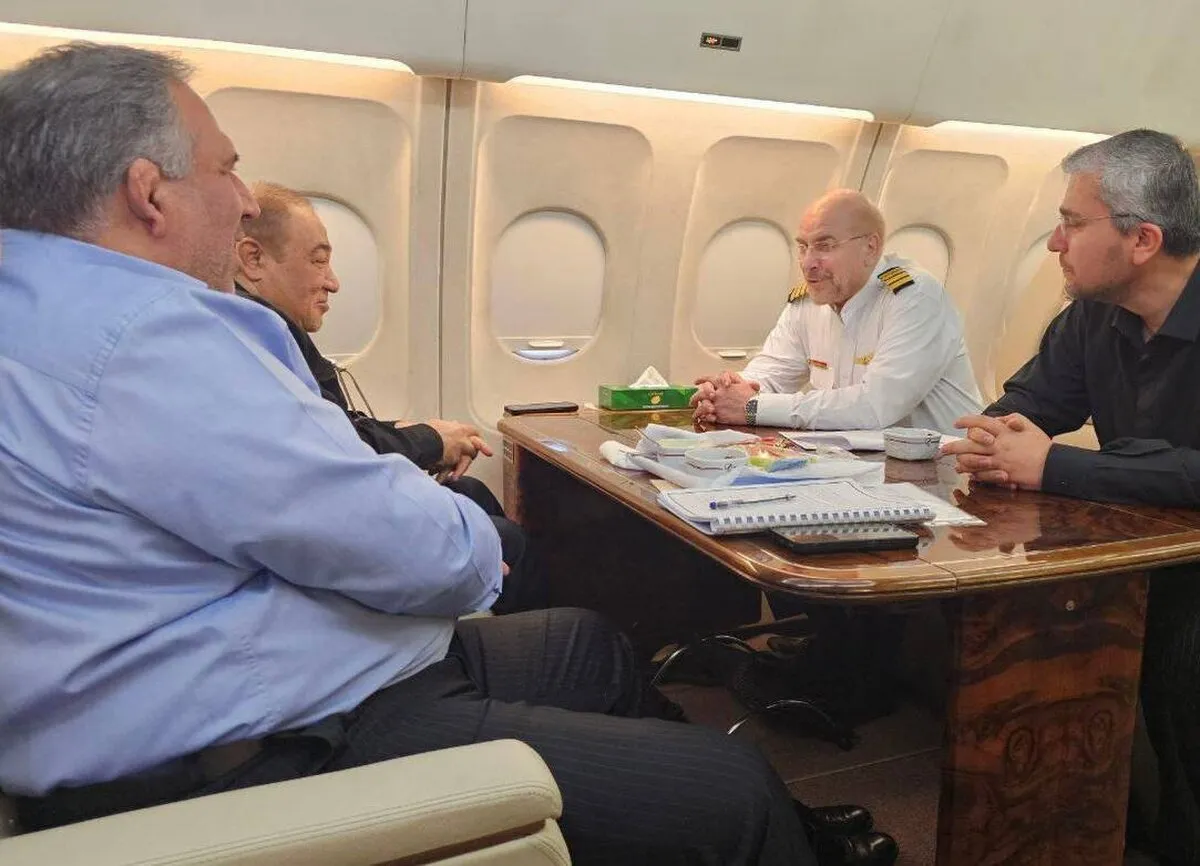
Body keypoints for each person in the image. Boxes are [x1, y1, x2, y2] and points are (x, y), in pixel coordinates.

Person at [0, 42, 898, 866]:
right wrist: (465, 534)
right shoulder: (143, 336)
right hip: (266, 739)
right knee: (727, 784)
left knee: (591, 645)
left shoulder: (45, 310)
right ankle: (756, 823)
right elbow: (422, 553)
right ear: (148, 193)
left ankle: (731, 826)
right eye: (226, 168)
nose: (242, 199)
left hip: (261, 677)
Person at [942, 128, 1200, 866]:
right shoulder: (1092, 313)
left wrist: (1058, 467)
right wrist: (994, 440)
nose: (1055, 243)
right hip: (1144, 549)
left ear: (1143, 240)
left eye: (1072, 223)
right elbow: (1028, 405)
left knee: (1182, 663)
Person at [232, 181, 545, 614]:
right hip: (332, 527)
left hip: (334, 508)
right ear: (253, 259)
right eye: (318, 261)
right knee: (508, 540)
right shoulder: (261, 336)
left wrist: (417, 433)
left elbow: (334, 427)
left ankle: (514, 625)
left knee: (470, 490)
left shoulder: (269, 329)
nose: (333, 282)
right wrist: (429, 441)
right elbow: (337, 448)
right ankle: (534, 635)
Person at [690, 189, 982, 435]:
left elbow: (875, 407)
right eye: (803, 247)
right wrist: (725, 393)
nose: (808, 263)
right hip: (856, 465)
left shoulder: (915, 298)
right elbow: (771, 374)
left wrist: (753, 407)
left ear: (871, 248)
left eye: (824, 246)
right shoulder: (807, 303)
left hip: (942, 471)